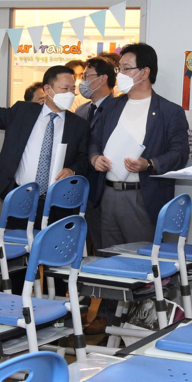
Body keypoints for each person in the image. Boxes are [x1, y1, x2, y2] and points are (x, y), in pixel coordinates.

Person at [88, 42, 189, 334]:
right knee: (110, 263)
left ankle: (144, 328)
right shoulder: (112, 105)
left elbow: (179, 153)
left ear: (144, 72)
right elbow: (93, 140)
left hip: (142, 199)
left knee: (142, 266)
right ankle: (111, 323)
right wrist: (94, 157)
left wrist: (150, 163)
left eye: (125, 68)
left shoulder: (168, 111)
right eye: (119, 69)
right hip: (107, 194)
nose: (119, 74)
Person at [0, 55, 89, 227]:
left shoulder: (79, 125)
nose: (70, 94)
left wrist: (72, 170)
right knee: (16, 240)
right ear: (47, 89)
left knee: (51, 242)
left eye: (72, 89)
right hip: (22, 196)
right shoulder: (23, 112)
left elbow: (84, 158)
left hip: (58, 202)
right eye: (64, 89)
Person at [75, 57, 116, 252]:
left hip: (104, 187)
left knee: (104, 244)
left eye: (86, 76)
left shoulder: (117, 109)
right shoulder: (81, 110)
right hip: (81, 187)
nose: (82, 81)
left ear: (102, 79)